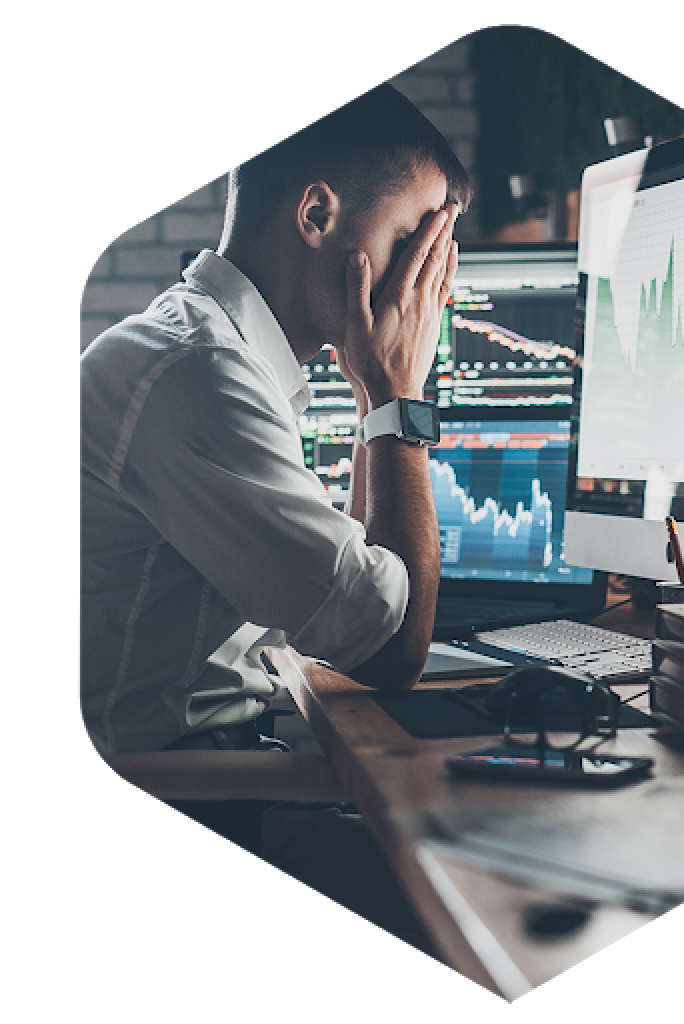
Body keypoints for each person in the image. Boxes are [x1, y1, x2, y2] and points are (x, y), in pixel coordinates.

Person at [80, 83, 473, 959]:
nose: (427, 284)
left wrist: (380, 391)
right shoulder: (198, 375)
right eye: (414, 242)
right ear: (317, 214)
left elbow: (360, 592)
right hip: (203, 794)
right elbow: (392, 643)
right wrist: (398, 394)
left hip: (233, 765)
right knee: (496, 890)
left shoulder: (209, 353)